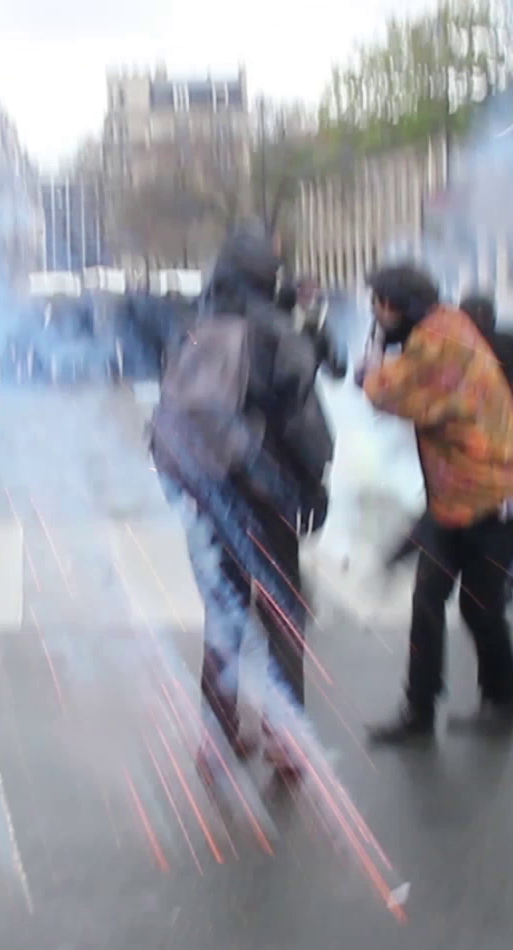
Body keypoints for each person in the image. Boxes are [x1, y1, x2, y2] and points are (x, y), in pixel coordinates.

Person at [150, 227, 333, 778]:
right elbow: (304, 421)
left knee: (224, 612)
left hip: (207, 490)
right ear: (266, 276)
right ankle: (287, 739)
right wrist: (314, 482)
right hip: (264, 488)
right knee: (280, 610)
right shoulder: (275, 332)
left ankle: (219, 734)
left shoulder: (194, 329)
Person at [360, 264, 513, 744]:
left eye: (378, 303)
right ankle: (419, 711)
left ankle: (505, 701)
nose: (375, 313)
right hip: (458, 496)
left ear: (395, 305)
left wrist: (373, 363)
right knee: (429, 598)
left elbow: (387, 391)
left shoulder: (437, 342)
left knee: (478, 604)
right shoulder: (445, 324)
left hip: (498, 493)